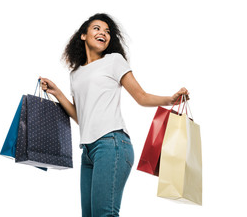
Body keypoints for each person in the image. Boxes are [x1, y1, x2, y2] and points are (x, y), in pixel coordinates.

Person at [40, 13, 189, 217]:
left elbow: (141, 96)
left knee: (105, 214)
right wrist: (57, 92)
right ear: (83, 35)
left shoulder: (113, 61)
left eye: (107, 31)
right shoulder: (75, 74)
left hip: (112, 144)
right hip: (88, 151)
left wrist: (170, 100)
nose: (103, 32)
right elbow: (80, 116)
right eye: (97, 28)